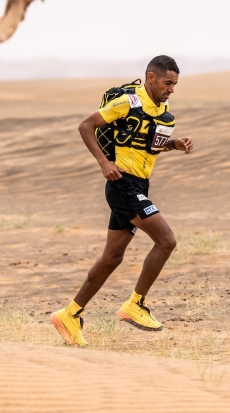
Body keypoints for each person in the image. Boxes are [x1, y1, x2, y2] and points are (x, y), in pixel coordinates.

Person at [51, 55, 193, 345]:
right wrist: (104, 163)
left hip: (140, 185)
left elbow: (147, 144)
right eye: (168, 83)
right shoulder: (128, 102)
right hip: (122, 184)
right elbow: (85, 126)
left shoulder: (162, 110)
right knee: (166, 241)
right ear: (151, 78)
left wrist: (174, 145)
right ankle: (135, 305)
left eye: (175, 84)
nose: (172, 90)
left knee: (112, 258)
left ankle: (70, 314)